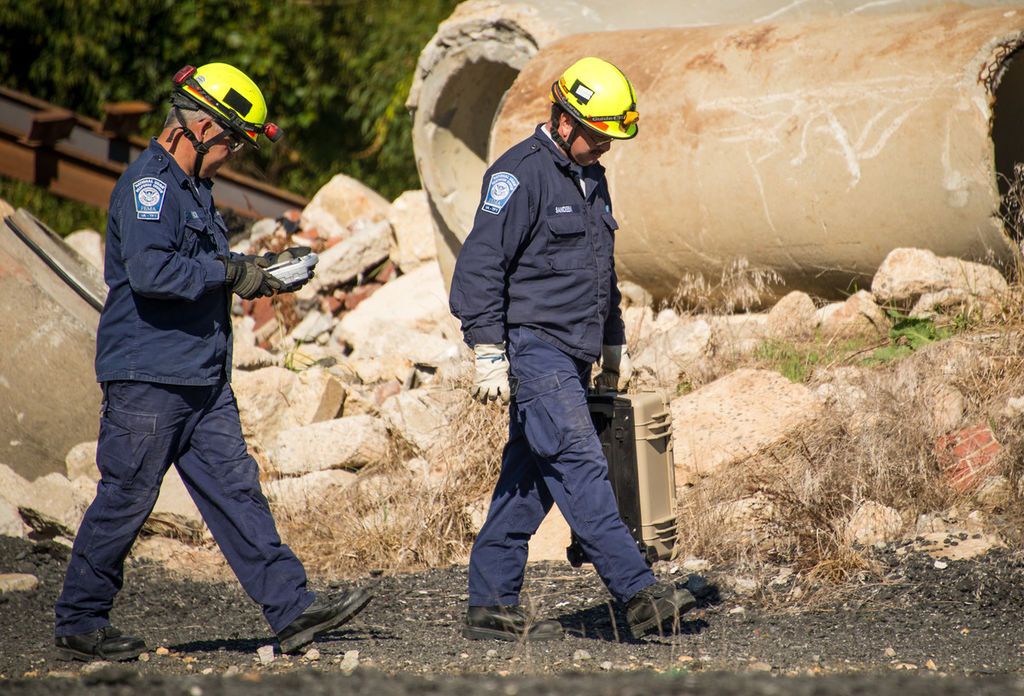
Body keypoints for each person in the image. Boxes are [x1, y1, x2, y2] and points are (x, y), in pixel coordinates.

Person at [54, 63, 371, 661]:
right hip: (149, 378)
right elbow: (151, 273)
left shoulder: (194, 189)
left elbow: (196, 271)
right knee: (126, 497)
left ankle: (292, 609)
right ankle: (80, 620)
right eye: (230, 141)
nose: (230, 155)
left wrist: (256, 272)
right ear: (199, 128)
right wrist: (230, 271)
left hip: (200, 376)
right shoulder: (149, 187)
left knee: (237, 491)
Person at [449, 56, 697, 642]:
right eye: (598, 135)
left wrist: (613, 342)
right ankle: (637, 593)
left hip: (575, 351)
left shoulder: (591, 176)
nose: (605, 148)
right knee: (579, 463)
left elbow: (599, 269)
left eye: (612, 139)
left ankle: (489, 602)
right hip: (534, 348)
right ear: (562, 119)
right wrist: (487, 348)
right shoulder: (520, 174)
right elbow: (479, 265)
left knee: (530, 476)